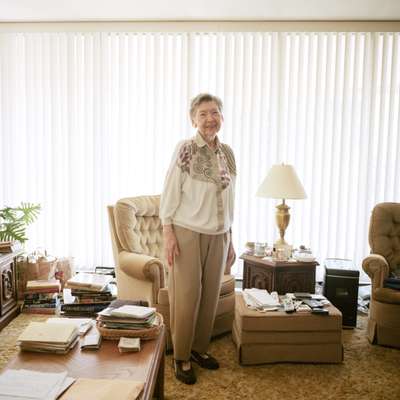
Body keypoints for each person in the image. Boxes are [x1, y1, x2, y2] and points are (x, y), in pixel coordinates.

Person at [160, 93, 236, 385]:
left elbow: (231, 197)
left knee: (209, 296)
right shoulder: (186, 148)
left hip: (219, 234)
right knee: (187, 295)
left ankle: (198, 350)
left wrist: (231, 234)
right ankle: (180, 356)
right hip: (188, 232)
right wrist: (168, 232)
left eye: (214, 112)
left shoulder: (227, 152)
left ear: (222, 117)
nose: (209, 119)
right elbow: (170, 189)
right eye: (203, 113)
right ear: (193, 119)